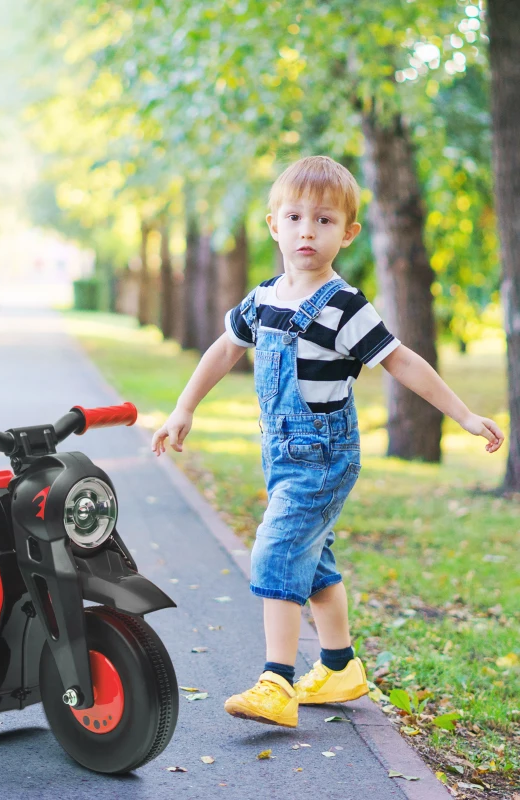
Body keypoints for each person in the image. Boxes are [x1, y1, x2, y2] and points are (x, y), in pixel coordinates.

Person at [150, 155, 504, 728]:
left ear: (349, 233)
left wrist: (461, 414)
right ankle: (339, 667)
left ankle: (277, 682)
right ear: (273, 226)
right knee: (312, 563)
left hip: (324, 455)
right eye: (294, 217)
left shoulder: (344, 305)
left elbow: (401, 361)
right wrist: (183, 408)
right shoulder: (264, 298)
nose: (307, 231)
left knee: (277, 549)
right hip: (281, 455)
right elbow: (223, 349)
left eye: (324, 220)